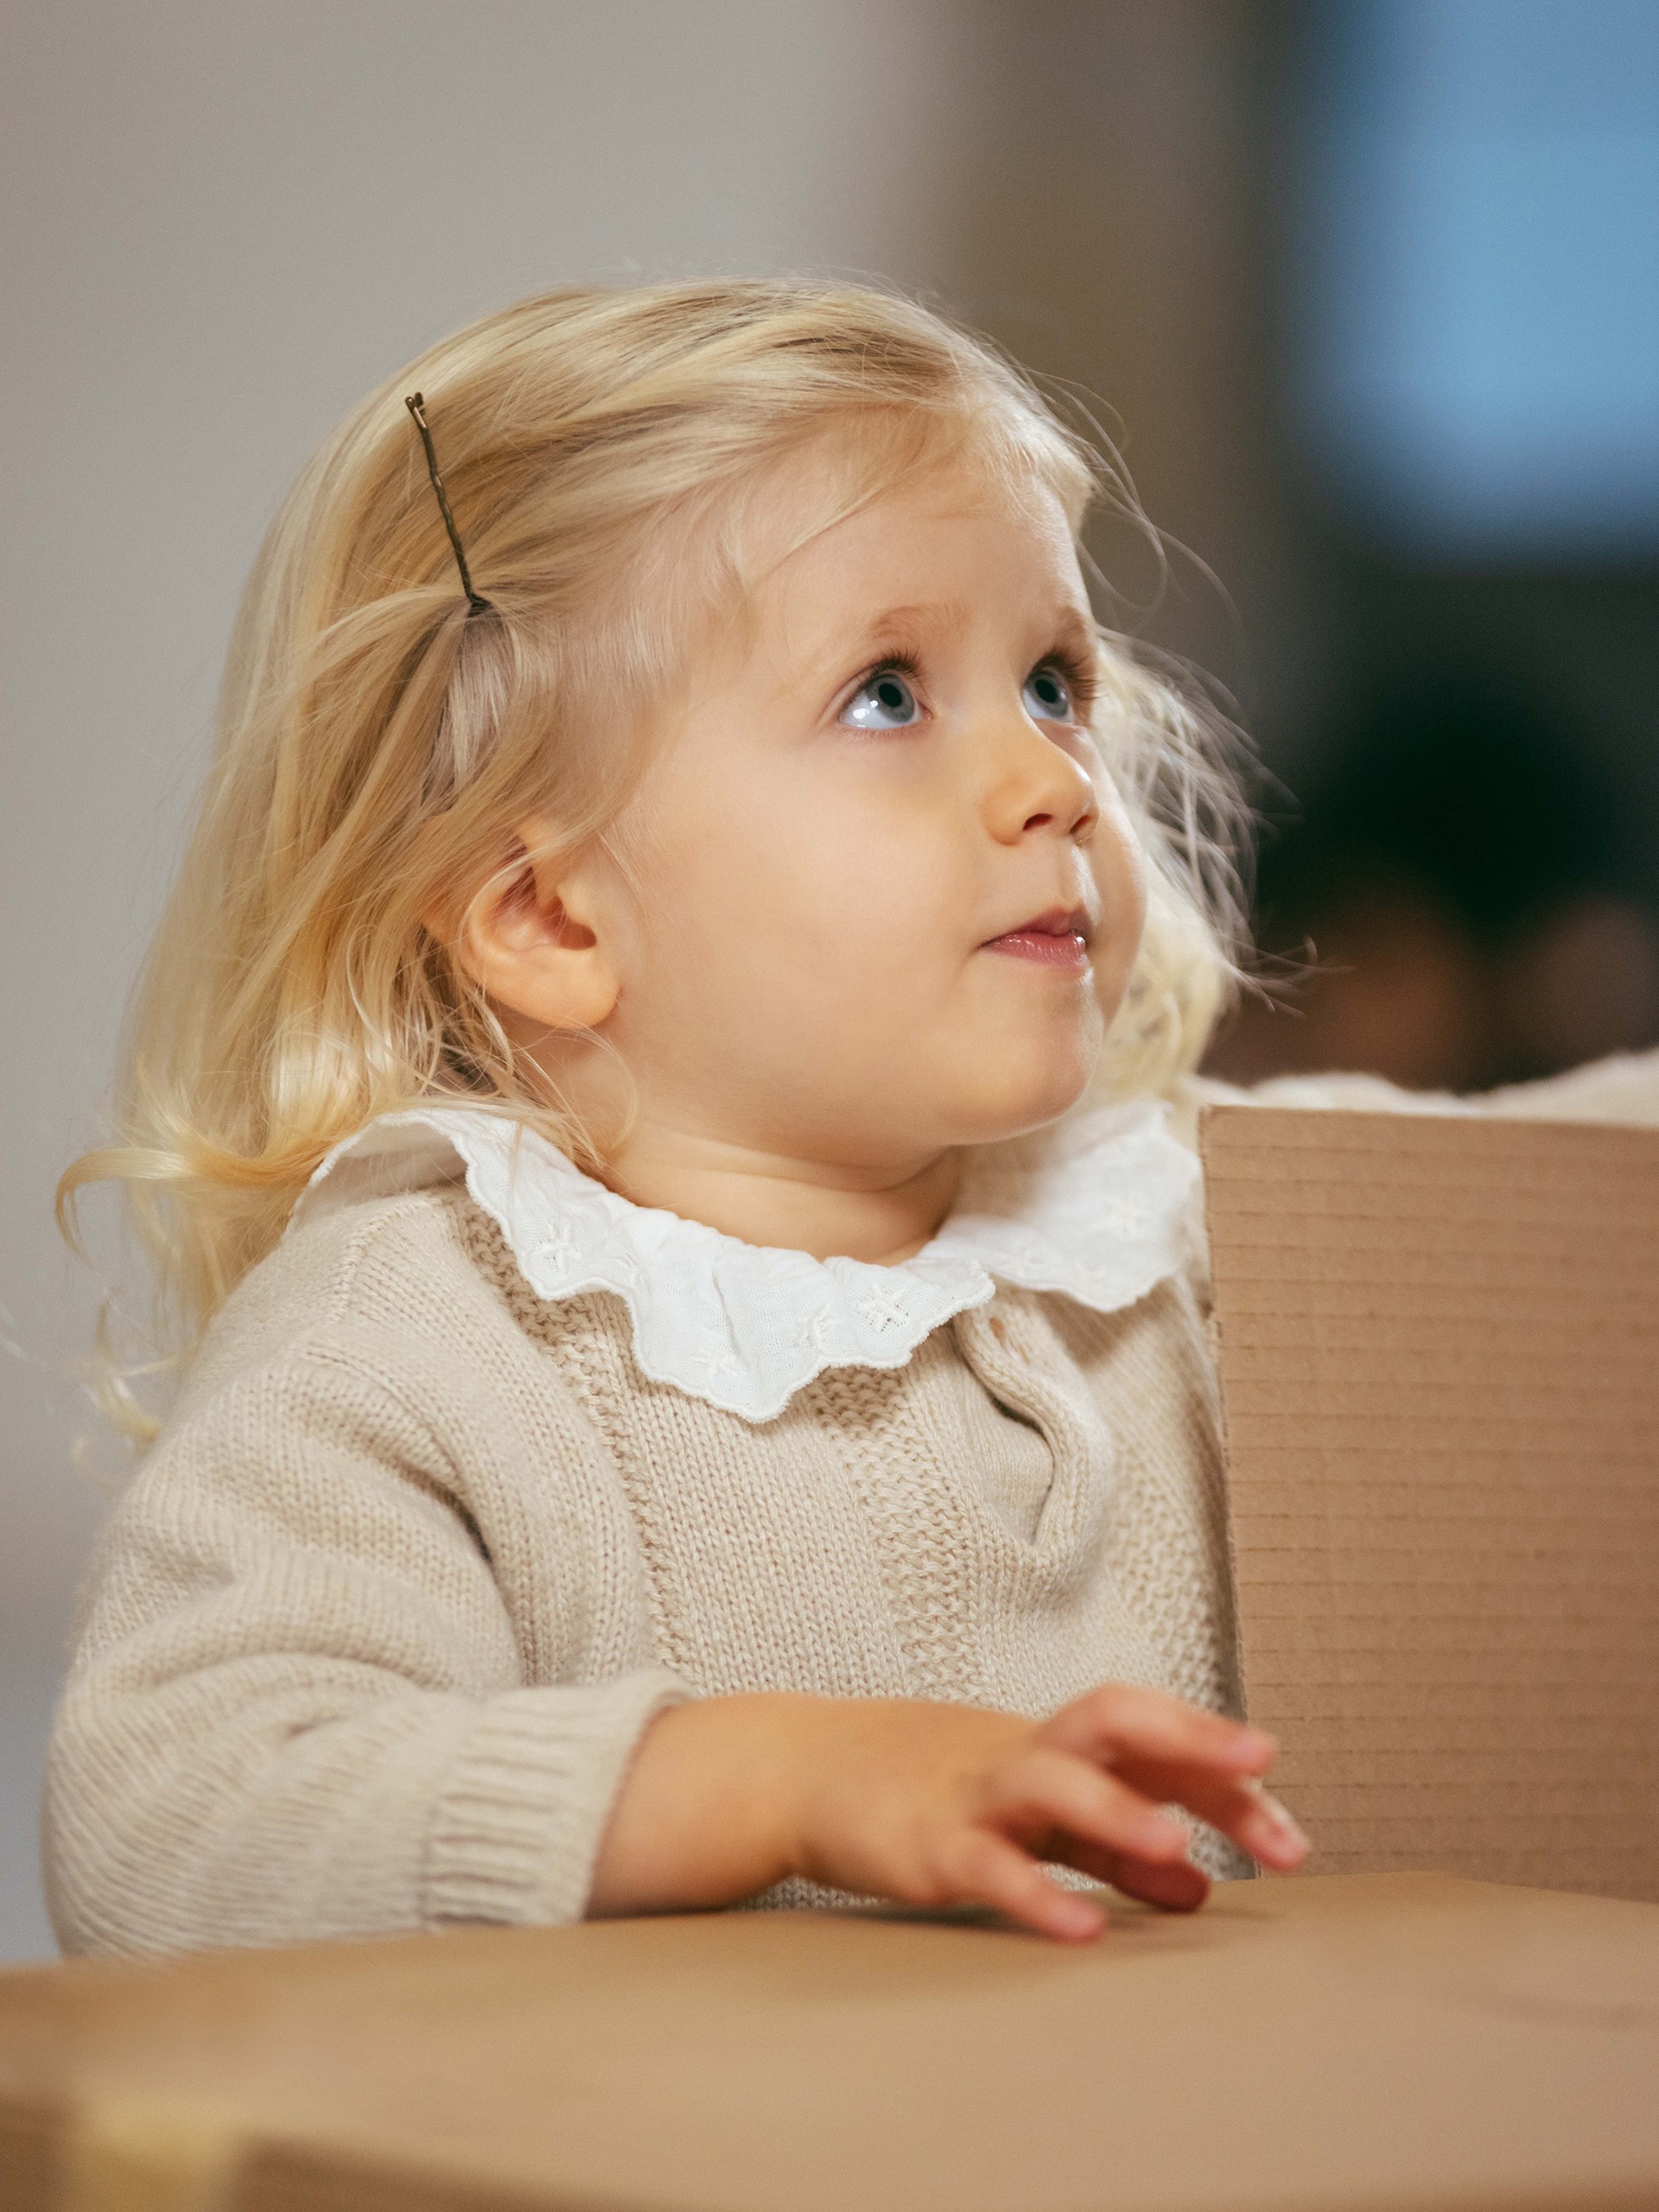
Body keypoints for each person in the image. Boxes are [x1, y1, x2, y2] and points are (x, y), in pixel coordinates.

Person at [46, 281, 1657, 1959]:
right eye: (888, 693)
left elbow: (1592, 1179)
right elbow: (169, 1818)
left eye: (1051, 678)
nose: (1055, 779)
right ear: (551, 915)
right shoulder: (427, 1334)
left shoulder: (1198, 1214)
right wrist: (769, 1776)